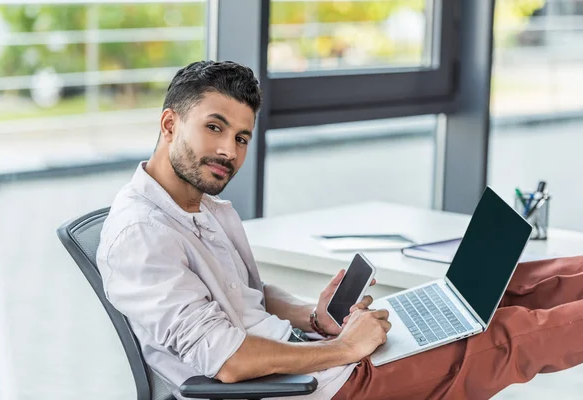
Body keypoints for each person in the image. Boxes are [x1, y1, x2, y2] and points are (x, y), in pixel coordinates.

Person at [96, 60, 583, 400]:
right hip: (314, 388)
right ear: (168, 124)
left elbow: (249, 294)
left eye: (241, 137)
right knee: (511, 333)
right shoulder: (141, 236)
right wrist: (344, 349)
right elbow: (228, 362)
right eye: (214, 127)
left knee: (512, 287)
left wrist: (314, 315)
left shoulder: (204, 208)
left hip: (314, 354)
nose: (229, 151)